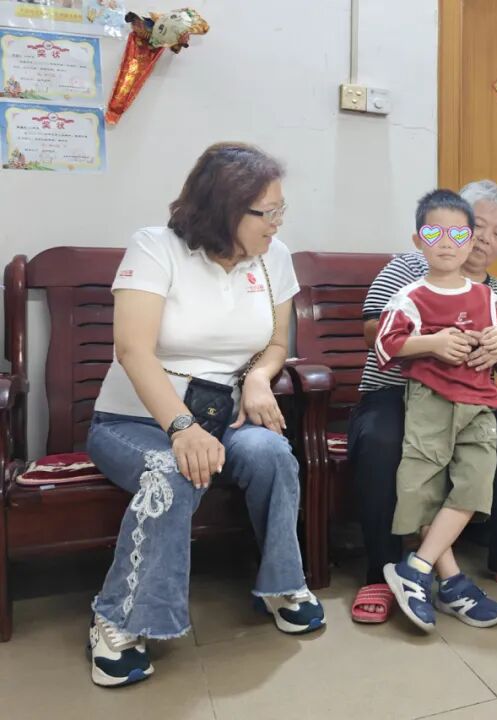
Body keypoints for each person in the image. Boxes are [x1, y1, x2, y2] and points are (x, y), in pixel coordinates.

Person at [85, 143, 324, 688]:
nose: (278, 222)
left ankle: (283, 583)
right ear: (224, 209)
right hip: (134, 423)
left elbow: (276, 343)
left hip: (226, 419)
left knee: (273, 454)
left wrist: (259, 379)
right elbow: (133, 350)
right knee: (171, 472)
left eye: (281, 209)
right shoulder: (156, 248)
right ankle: (117, 618)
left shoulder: (274, 257)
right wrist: (181, 427)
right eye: (267, 212)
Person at [349, 180, 497, 625]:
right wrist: (432, 341)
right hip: (395, 391)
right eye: (478, 226)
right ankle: (381, 571)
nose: (485, 239)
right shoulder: (409, 270)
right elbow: (374, 331)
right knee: (381, 440)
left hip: (470, 400)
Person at [376, 189, 497, 632]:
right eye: (435, 233)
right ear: (418, 240)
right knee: (424, 488)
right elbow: (385, 344)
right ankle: (450, 582)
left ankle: (416, 568)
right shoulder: (411, 295)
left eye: (458, 234)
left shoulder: (485, 295)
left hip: (479, 405)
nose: (447, 243)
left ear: (470, 241)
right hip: (431, 403)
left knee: (474, 485)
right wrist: (432, 343)